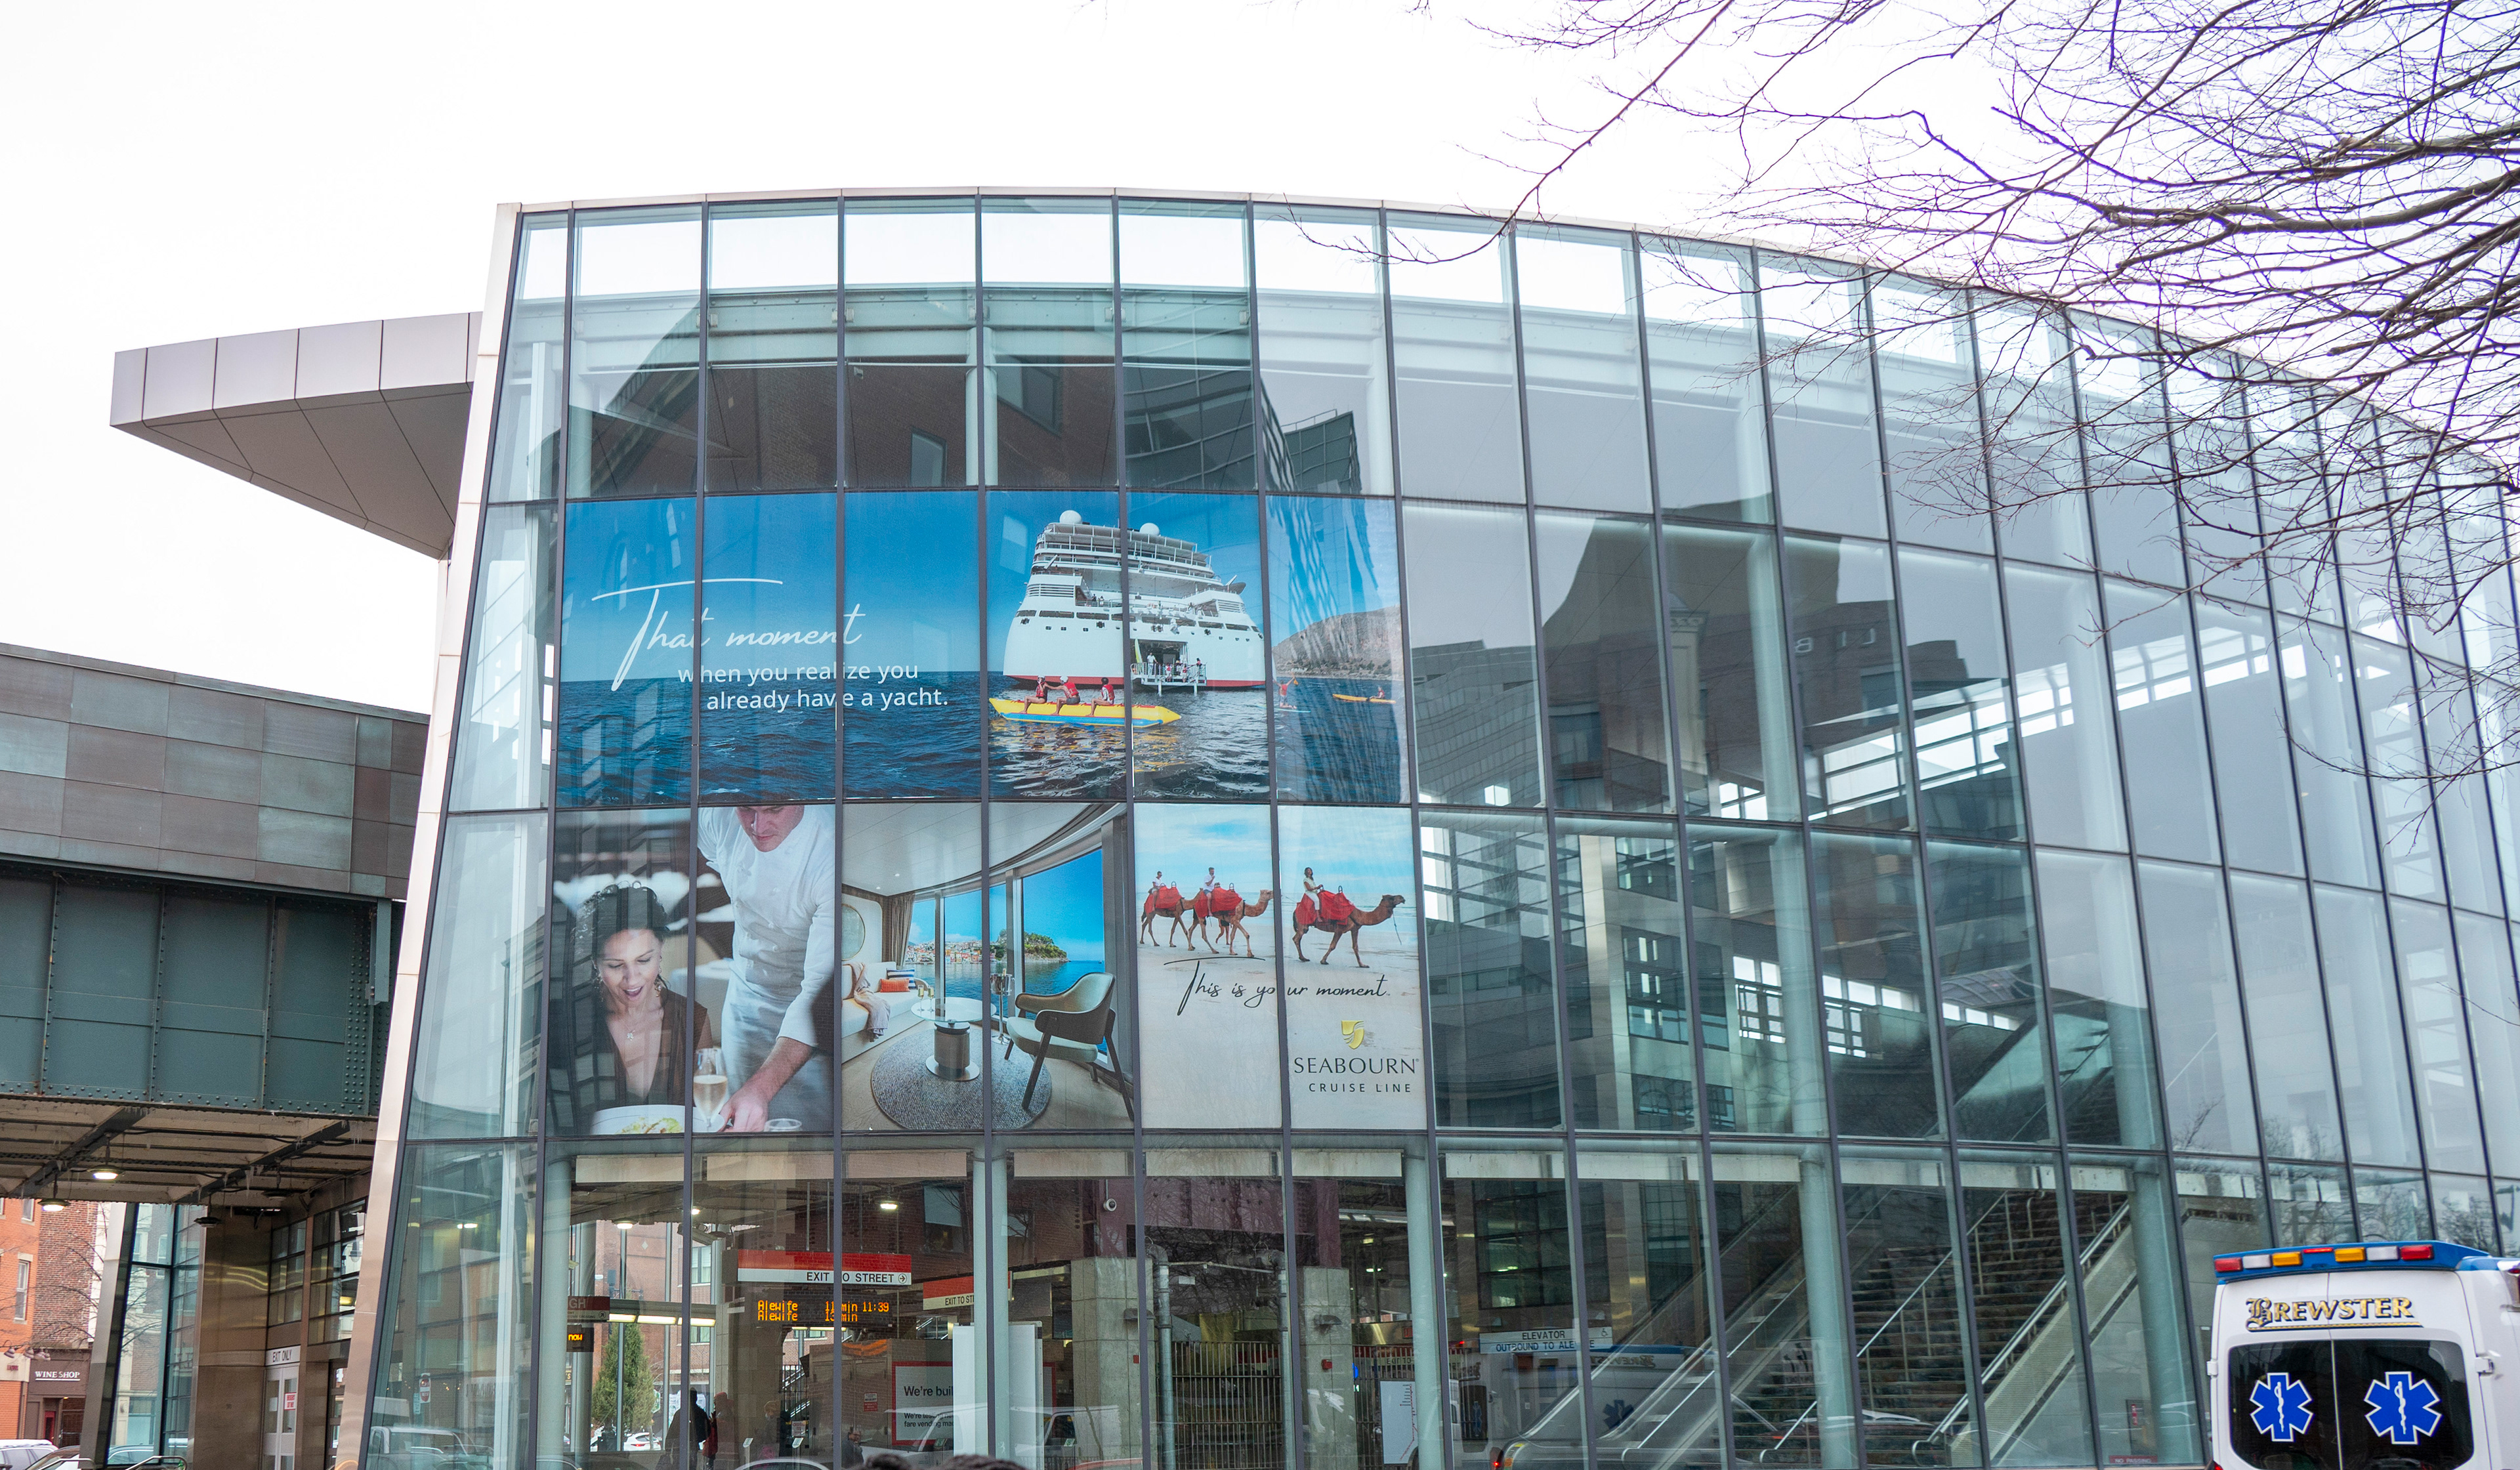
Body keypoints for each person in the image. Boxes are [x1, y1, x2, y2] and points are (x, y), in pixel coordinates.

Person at [698, 804, 838, 1132]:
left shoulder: (829, 854)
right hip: (744, 996)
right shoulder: (717, 816)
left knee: (802, 1137)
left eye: (774, 810)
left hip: (804, 1006)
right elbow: (709, 852)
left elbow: (817, 990)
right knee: (738, 1126)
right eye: (747, 810)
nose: (758, 825)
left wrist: (761, 1088)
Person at [552, 883, 716, 1129]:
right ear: (596, 963)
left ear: (661, 950)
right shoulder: (570, 1021)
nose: (632, 979)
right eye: (616, 965)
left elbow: (706, 1119)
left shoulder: (692, 1021)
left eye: (643, 960)